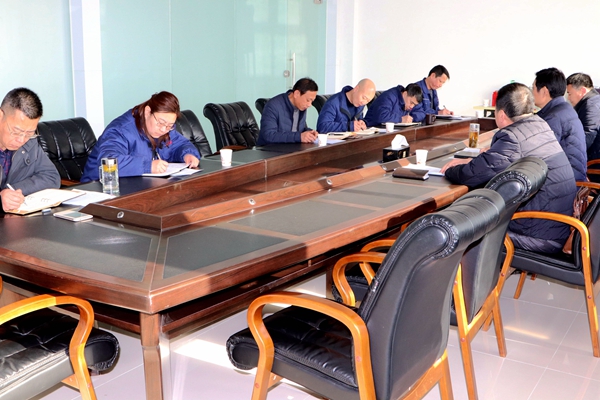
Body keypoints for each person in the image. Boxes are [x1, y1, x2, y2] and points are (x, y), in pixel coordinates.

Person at [441, 82, 576, 254]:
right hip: (557, 225)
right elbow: (496, 162)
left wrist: (450, 170)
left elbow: (471, 175)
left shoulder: (511, 138)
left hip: (538, 233)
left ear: (501, 114)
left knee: (463, 231)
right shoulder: (539, 125)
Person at [81, 91, 200, 182]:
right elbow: (108, 161)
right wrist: (147, 166)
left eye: (170, 125)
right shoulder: (120, 130)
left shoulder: (164, 129)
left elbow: (180, 144)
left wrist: (188, 154)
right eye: (161, 122)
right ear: (148, 112)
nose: (164, 129)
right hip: (100, 188)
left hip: (139, 185)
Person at [0, 88, 60, 212]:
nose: (21, 140)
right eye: (16, 132)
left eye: (29, 133)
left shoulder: (30, 142)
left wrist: (12, 192)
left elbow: (51, 177)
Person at [533, 67, 587, 181]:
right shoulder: (564, 109)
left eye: (533, 88)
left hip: (566, 181)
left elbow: (539, 154)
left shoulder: (553, 117)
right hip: (573, 174)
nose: (531, 93)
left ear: (544, 91)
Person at [256, 78, 319, 146]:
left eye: (312, 101)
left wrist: (310, 133)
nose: (309, 105)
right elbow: (269, 135)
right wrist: (299, 137)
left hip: (292, 148)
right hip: (270, 149)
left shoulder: (301, 106)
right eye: (308, 100)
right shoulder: (273, 106)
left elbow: (298, 130)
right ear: (297, 94)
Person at [566, 73, 600, 161]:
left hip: (593, 161)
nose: (568, 98)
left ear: (582, 91)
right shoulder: (593, 102)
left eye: (569, 94)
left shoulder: (591, 106)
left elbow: (588, 135)